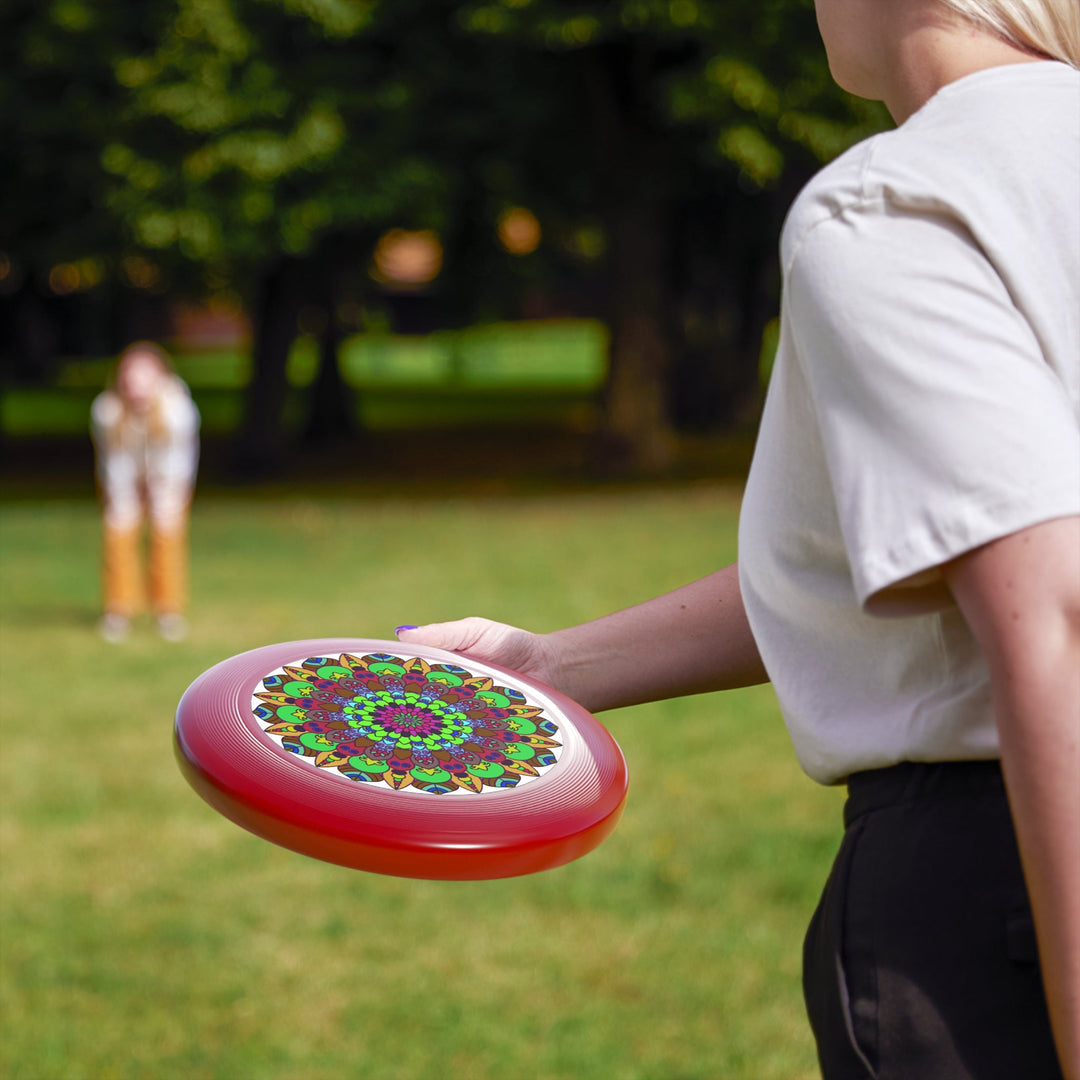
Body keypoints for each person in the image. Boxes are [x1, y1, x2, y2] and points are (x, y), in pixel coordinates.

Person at [395, 2, 1080, 1077]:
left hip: (1003, 890)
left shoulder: (900, 202)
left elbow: (1055, 616)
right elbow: (913, 553)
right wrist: (550, 666)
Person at [91, 341, 200, 642]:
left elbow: (177, 460)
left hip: (168, 479)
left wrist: (160, 492)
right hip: (123, 478)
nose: (136, 385)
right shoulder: (107, 410)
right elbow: (114, 460)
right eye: (130, 377)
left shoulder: (178, 410)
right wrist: (126, 496)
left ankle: (168, 610)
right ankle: (118, 610)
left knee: (167, 535)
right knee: (118, 531)